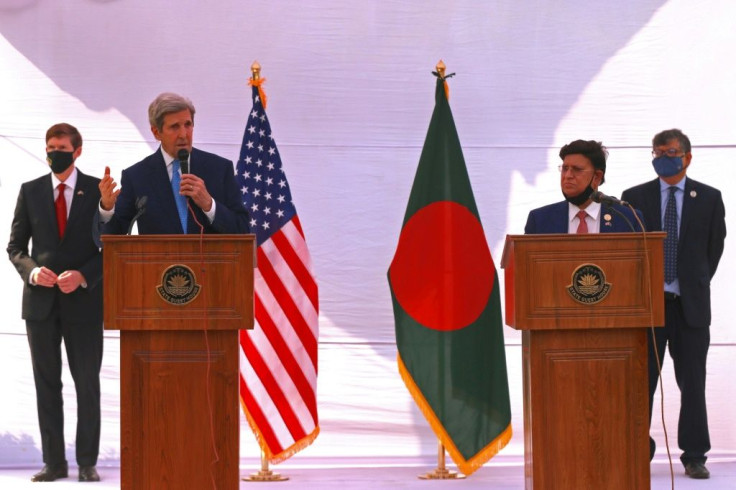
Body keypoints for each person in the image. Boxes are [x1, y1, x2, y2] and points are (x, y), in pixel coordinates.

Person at [621, 129, 726, 479]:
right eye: (657, 152)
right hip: (647, 308)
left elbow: (713, 250)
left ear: (687, 156)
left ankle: (694, 454)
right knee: (640, 384)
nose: (663, 157)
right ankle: (636, 449)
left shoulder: (709, 198)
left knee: (692, 383)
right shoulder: (633, 197)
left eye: (670, 151)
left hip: (689, 307)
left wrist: (689, 284)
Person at [7, 123, 103, 482]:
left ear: (77, 150)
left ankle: (87, 463)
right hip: (40, 306)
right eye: (50, 147)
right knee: (47, 384)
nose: (54, 153)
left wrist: (83, 275)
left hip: (84, 303)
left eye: (61, 147)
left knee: (87, 383)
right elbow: (15, 248)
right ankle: (53, 463)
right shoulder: (30, 191)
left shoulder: (98, 191)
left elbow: (111, 247)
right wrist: (32, 272)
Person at [98, 92, 249, 235]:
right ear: (156, 132)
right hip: (158, 262)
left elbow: (243, 229)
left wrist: (209, 205)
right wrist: (107, 208)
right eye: (175, 127)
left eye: (188, 125)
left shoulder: (219, 169)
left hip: (211, 262)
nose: (184, 134)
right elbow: (111, 237)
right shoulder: (137, 176)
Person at [525, 139, 643, 234]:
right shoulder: (539, 221)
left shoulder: (628, 219)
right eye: (565, 169)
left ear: (597, 177)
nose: (568, 176)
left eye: (577, 170)